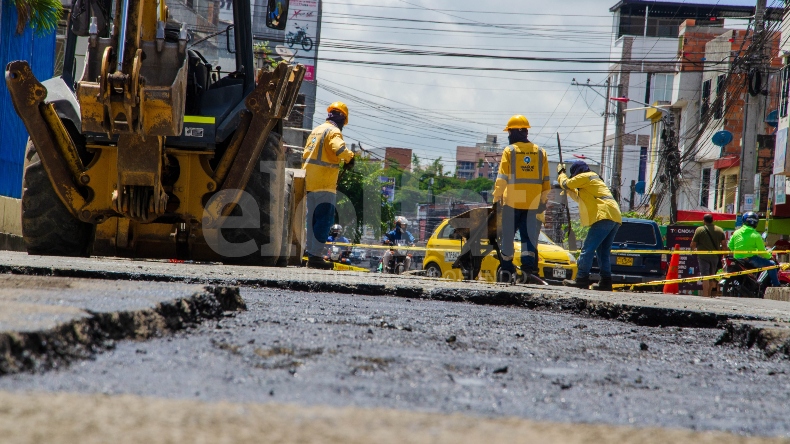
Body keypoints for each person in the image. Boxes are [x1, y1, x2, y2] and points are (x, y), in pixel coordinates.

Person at [492, 115, 550, 283]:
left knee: (508, 236)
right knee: (529, 238)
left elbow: (502, 178)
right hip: (534, 203)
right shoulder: (540, 152)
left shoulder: (509, 151)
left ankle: (507, 268)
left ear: (517, 132)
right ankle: (527, 270)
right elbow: (546, 182)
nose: (508, 135)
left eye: (509, 131)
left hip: (512, 202)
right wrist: (543, 203)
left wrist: (496, 198)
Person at [302, 102, 355, 268]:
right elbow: (339, 149)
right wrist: (350, 158)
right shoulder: (333, 131)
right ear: (342, 119)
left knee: (312, 220)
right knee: (324, 221)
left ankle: (310, 253)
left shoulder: (316, 130)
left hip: (309, 182)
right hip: (324, 184)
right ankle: (315, 257)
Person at [558, 161, 622, 291]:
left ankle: (581, 278)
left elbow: (566, 183)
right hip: (614, 215)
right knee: (602, 252)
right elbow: (580, 198)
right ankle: (606, 281)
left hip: (604, 215)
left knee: (588, 248)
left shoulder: (586, 176)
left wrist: (561, 173)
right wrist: (569, 191)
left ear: (577, 172)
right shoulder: (592, 181)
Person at [728, 211, 780, 287]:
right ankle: (776, 285)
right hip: (751, 259)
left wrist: (739, 253)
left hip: (737, 259)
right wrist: (770, 257)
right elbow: (762, 251)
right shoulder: (756, 235)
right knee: (772, 264)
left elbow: (730, 246)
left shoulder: (736, 233)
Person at [690, 213, 727, 297]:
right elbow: (724, 245)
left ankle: (705, 295)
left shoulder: (699, 230)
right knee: (712, 276)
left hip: (703, 256)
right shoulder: (719, 230)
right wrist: (724, 256)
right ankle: (709, 294)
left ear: (704, 221)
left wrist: (695, 251)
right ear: (712, 220)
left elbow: (693, 244)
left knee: (705, 276)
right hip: (715, 256)